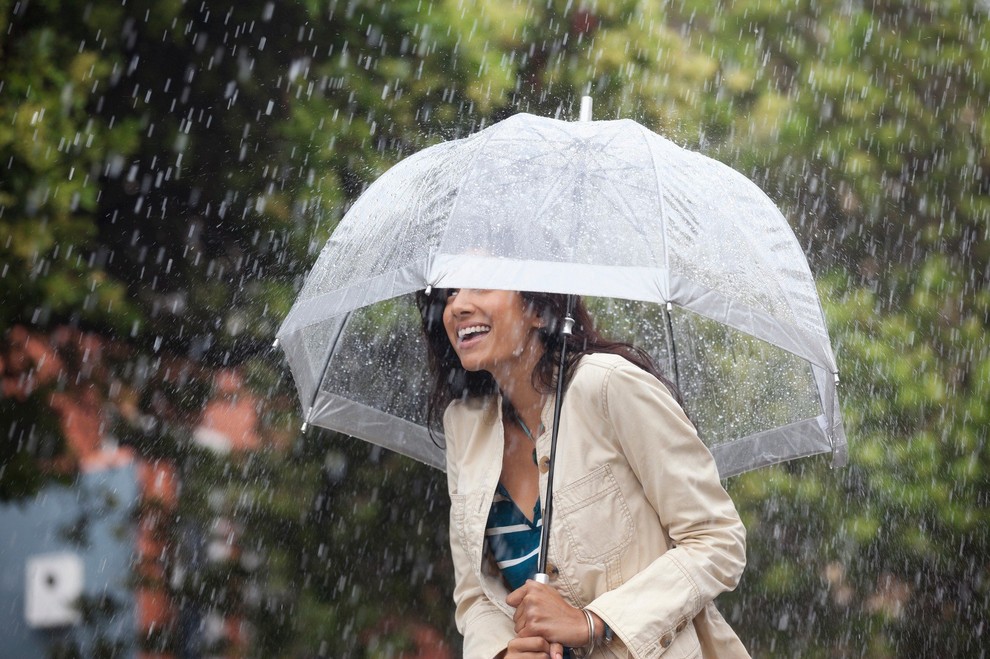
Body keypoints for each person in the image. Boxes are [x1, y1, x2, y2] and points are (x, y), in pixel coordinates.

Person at [417, 287, 749, 659]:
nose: (458, 307)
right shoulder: (463, 425)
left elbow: (717, 540)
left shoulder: (609, 385)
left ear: (537, 310)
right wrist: (503, 652)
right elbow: (476, 594)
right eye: (448, 294)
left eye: (480, 285)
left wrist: (594, 622)